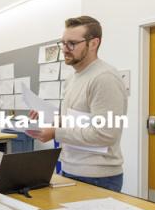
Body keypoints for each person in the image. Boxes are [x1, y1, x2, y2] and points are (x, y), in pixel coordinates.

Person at [27, 16, 127, 192]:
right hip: (70, 169)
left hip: (98, 178)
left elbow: (105, 134)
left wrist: (55, 133)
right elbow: (72, 120)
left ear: (94, 43)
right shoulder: (72, 78)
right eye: (63, 43)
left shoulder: (104, 78)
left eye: (71, 43)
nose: (65, 49)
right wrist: (48, 119)